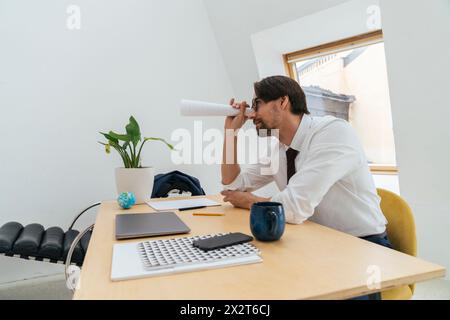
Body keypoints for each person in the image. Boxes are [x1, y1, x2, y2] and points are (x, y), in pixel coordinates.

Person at [220, 75, 391, 299]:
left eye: (257, 104)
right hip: (317, 241)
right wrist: (230, 133)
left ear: (282, 102)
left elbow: (293, 207)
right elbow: (232, 183)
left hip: (361, 247)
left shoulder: (333, 134)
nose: (251, 114)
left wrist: (249, 201)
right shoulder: (278, 149)